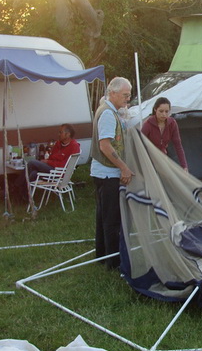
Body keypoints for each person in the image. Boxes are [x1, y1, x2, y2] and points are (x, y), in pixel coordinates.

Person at [90, 77, 134, 269]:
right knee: (111, 219)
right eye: (125, 95)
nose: (128, 98)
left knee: (103, 216)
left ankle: (101, 255)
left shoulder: (110, 111)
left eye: (129, 95)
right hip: (107, 174)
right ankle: (113, 262)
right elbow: (105, 146)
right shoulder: (107, 114)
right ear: (113, 93)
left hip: (101, 172)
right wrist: (123, 167)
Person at [14, 124, 80, 199]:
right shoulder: (58, 143)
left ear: (68, 134)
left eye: (60, 132)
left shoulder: (74, 146)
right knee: (33, 173)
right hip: (52, 168)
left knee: (32, 162)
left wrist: (47, 162)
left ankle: (16, 186)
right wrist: (48, 161)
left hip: (59, 172)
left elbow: (64, 165)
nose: (58, 134)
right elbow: (51, 157)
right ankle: (25, 198)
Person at [141, 97, 188, 170]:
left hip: (163, 158)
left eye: (167, 111)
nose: (164, 114)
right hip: (148, 159)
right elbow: (140, 143)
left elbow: (178, 145)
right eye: (161, 111)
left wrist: (184, 166)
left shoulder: (172, 123)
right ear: (155, 109)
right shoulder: (148, 124)